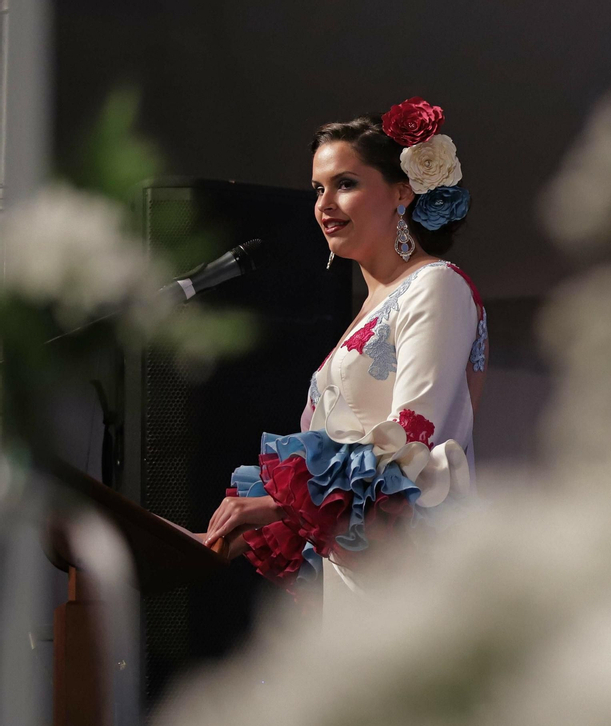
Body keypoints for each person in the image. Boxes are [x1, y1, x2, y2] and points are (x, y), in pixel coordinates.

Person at [200, 97, 484, 612]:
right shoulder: (370, 309)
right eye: (318, 189)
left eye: (345, 184)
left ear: (402, 193)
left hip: (413, 582)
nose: (324, 204)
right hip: (359, 579)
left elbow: (412, 446)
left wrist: (275, 503)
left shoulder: (436, 286)